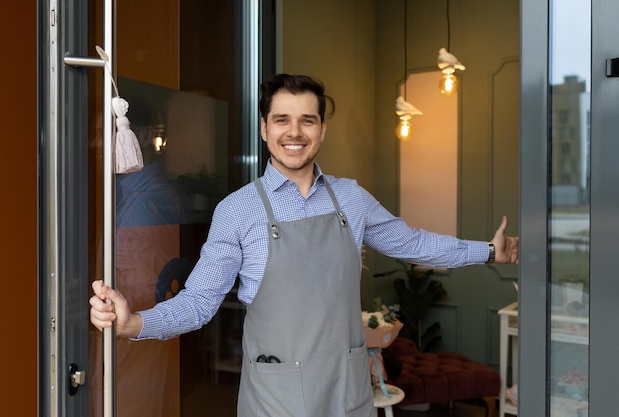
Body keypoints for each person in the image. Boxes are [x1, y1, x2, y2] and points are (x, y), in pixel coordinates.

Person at [90, 73, 519, 417]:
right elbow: (200, 301)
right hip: (276, 399)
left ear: (322, 129)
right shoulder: (237, 211)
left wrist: (486, 251)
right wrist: (134, 325)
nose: (294, 132)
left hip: (347, 390)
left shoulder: (352, 198)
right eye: (281, 120)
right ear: (264, 128)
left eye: (307, 120)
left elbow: (412, 243)